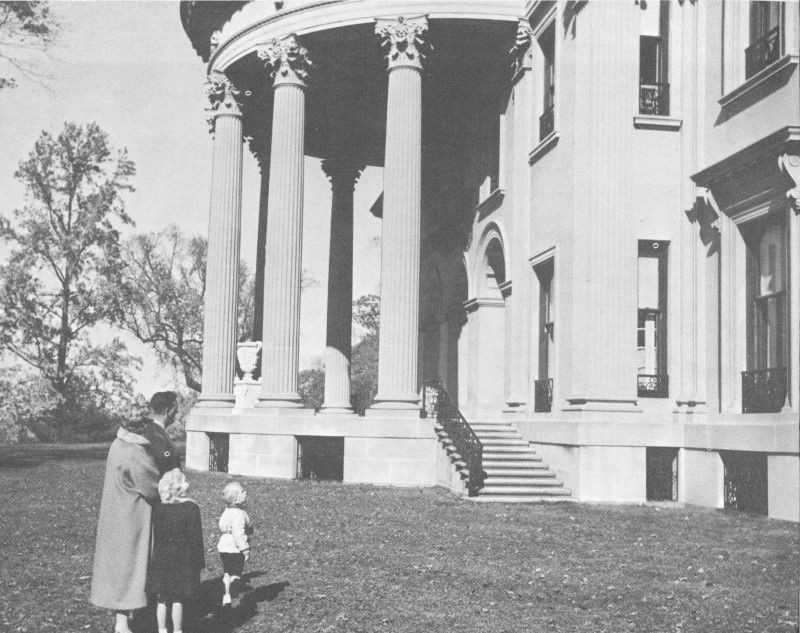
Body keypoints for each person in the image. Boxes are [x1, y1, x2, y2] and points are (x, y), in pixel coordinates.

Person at [90, 418, 160, 633]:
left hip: (117, 511)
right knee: (131, 566)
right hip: (133, 516)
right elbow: (152, 486)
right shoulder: (135, 453)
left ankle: (123, 621)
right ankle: (124, 624)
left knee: (121, 568)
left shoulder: (117, 444)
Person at [146, 469, 205, 633]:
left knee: (162, 598)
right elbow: (196, 539)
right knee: (178, 598)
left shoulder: (158, 509)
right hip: (182, 560)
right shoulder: (191, 508)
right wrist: (199, 563)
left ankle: (162, 630)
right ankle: (177, 630)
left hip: (161, 559)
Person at [216, 481, 252, 606]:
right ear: (236, 500)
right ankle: (234, 597)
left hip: (224, 547)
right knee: (236, 574)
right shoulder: (240, 514)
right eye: (242, 491)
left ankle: (226, 594)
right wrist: (245, 549)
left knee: (227, 571)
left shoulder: (227, 511)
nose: (245, 492)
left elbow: (222, 525)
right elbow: (238, 532)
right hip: (235, 548)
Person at [141, 391, 181, 475]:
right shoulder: (158, 438)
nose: (177, 412)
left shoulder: (148, 430)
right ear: (167, 411)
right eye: (176, 410)